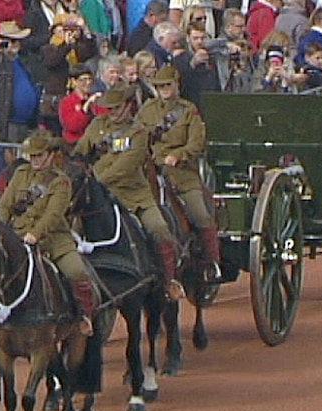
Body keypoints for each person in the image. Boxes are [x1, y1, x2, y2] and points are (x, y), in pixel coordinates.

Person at [75, 83, 185, 301]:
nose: (113, 113)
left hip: (133, 197)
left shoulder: (138, 132)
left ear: (128, 107)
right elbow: (80, 151)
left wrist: (96, 178)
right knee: (72, 230)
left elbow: (126, 165)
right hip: (98, 198)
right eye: (110, 109)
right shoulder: (97, 126)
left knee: (159, 228)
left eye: (117, 108)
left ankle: (168, 280)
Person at [0, 130, 96, 332]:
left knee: (76, 271)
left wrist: (34, 234)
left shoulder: (61, 182)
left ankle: (84, 316)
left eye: (39, 155)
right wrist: (0, 228)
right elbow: (5, 204)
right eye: (32, 156)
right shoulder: (20, 175)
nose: (35, 160)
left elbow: (53, 215)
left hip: (53, 240)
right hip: (17, 237)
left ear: (51, 155)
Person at [136, 65, 219, 283]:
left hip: (181, 173)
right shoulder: (147, 110)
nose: (163, 89)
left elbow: (197, 142)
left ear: (176, 85)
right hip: (150, 168)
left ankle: (212, 262)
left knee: (200, 214)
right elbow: (137, 136)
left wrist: (178, 155)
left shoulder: (188, 110)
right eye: (159, 86)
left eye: (167, 85)